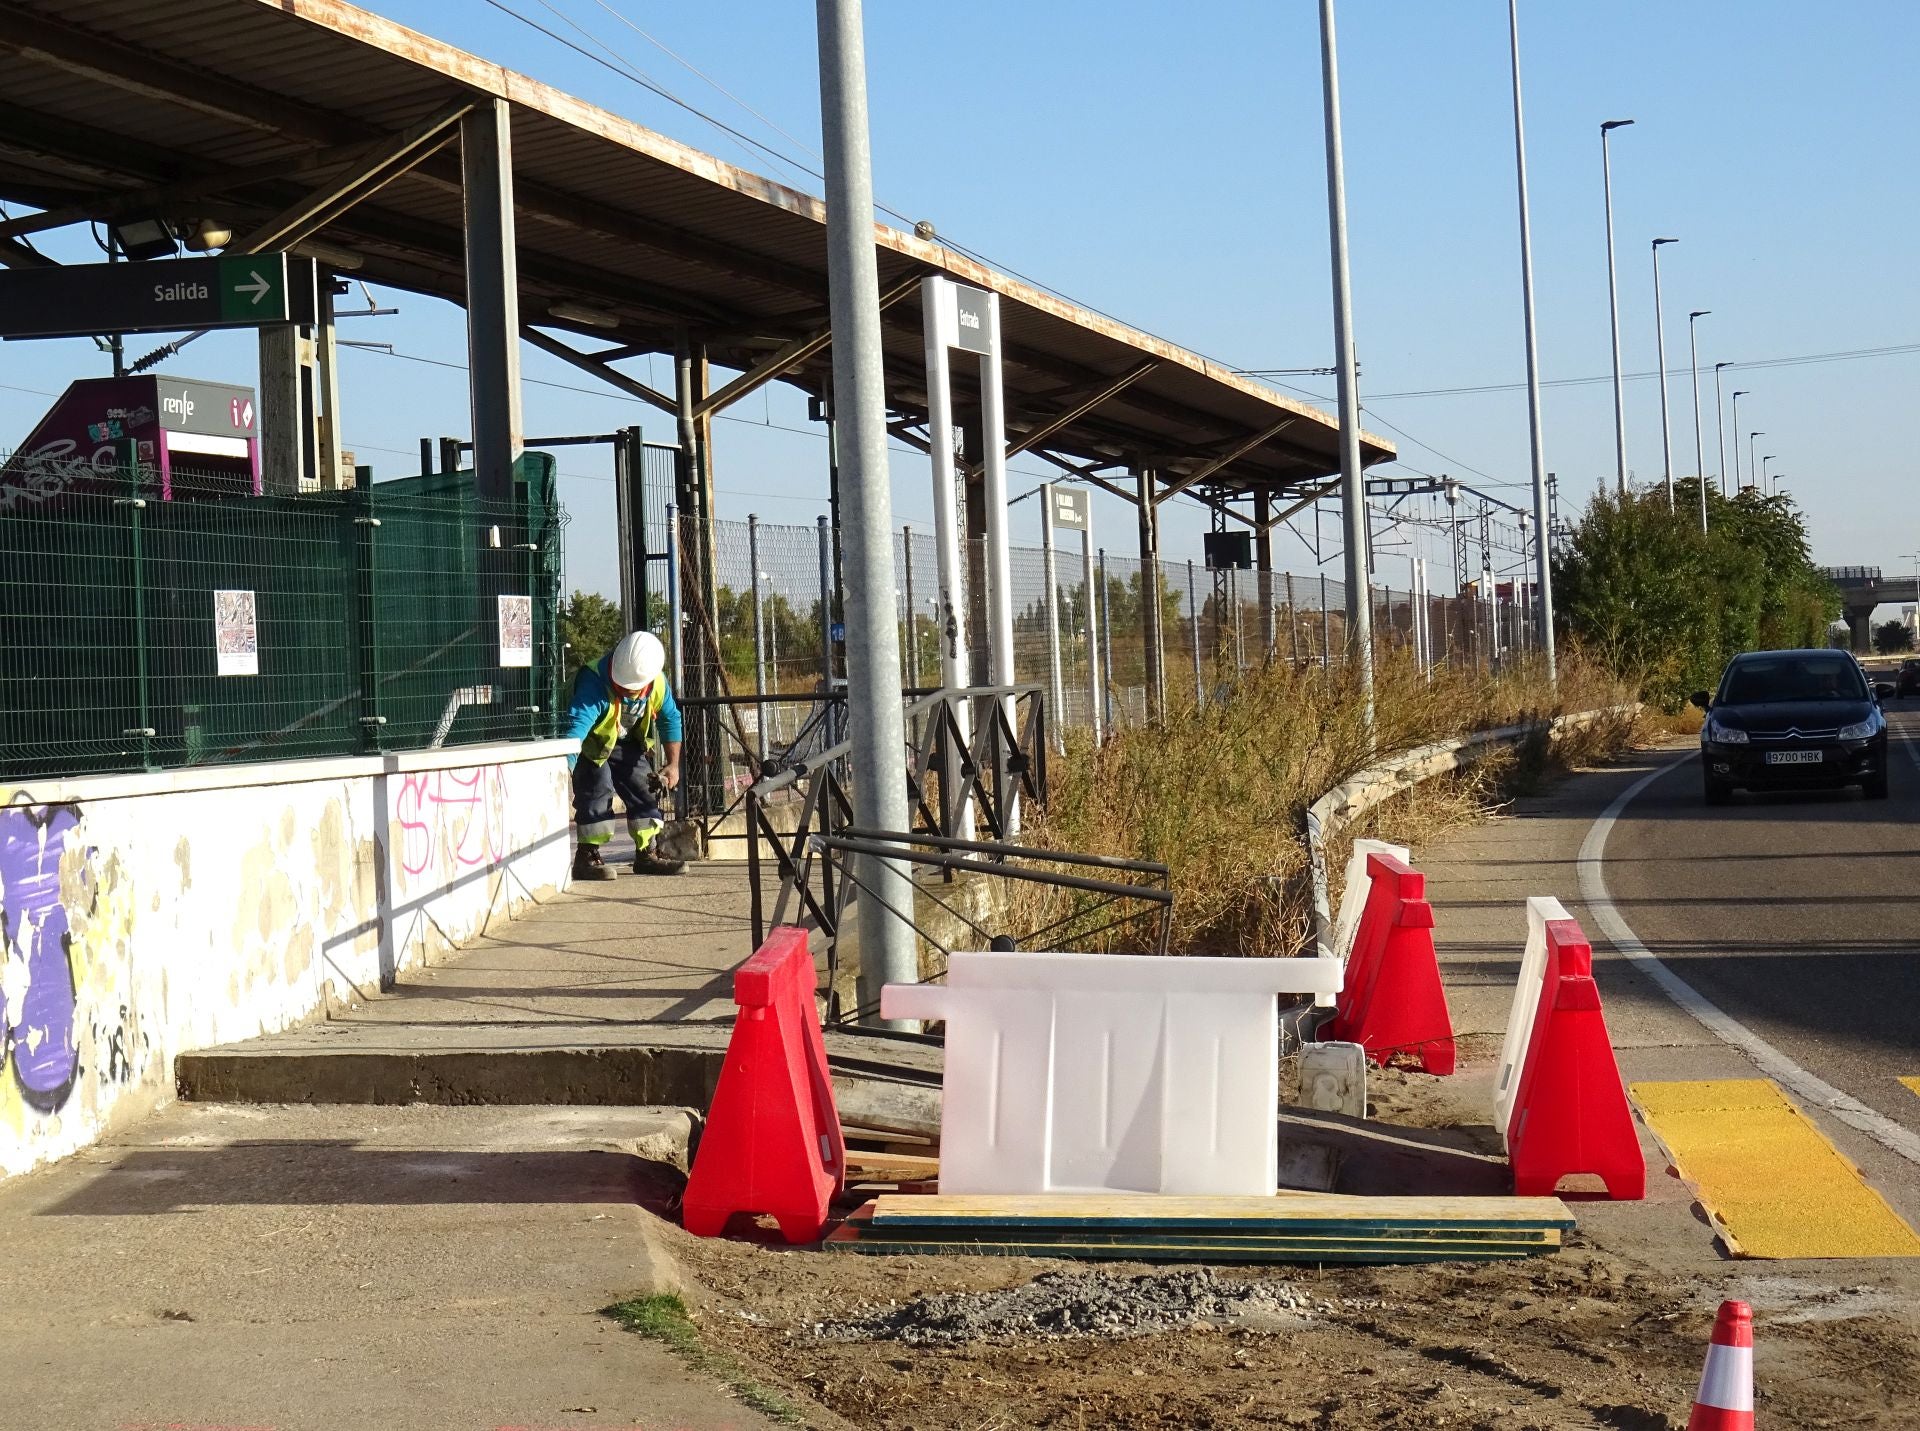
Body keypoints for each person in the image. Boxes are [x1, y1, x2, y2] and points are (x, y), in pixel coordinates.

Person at [564, 630, 685, 879]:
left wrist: (673, 765)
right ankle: (587, 857)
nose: (624, 689)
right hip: (590, 742)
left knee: (644, 786)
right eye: (621, 685)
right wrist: (565, 767)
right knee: (597, 787)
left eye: (631, 688)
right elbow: (577, 728)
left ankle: (647, 853)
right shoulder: (594, 681)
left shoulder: (658, 683)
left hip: (625, 742)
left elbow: (670, 719)